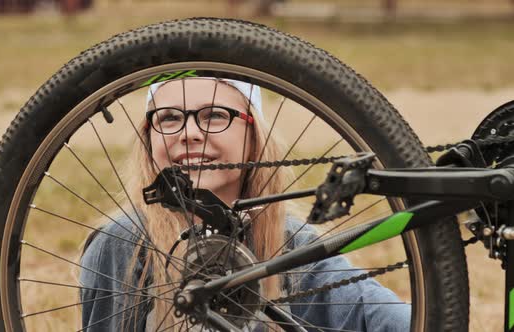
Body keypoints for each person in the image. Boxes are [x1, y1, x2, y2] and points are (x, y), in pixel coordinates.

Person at [79, 77, 410, 331]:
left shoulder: (292, 244)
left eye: (214, 116)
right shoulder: (122, 242)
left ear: (254, 137)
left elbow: (392, 319)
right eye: (168, 118)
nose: (189, 132)